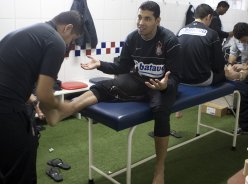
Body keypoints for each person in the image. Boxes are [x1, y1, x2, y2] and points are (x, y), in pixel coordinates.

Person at [67, 1, 181, 183]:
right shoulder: (132, 38)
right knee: (107, 85)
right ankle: (68, 107)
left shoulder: (169, 41)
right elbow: (122, 66)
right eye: (139, 17)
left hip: (161, 85)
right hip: (139, 79)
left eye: (147, 19)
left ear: (157, 20)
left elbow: (175, 76)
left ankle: (159, 169)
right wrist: (101, 64)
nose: (141, 22)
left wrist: (165, 86)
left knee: (160, 110)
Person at [0, 10, 84, 184]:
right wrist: (63, 107)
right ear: (67, 28)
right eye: (73, 39)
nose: (70, 44)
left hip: (8, 99)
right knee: (22, 168)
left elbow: (13, 72)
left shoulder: (33, 31)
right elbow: (44, 93)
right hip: (6, 108)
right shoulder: (56, 41)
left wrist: (31, 98)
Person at [175, 3, 226, 118]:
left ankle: (179, 109)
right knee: (226, 73)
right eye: (211, 19)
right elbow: (218, 64)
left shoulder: (181, 30)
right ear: (208, 17)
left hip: (179, 78)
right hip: (201, 80)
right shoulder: (212, 34)